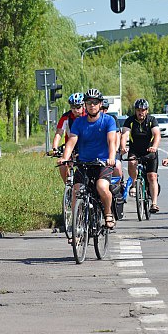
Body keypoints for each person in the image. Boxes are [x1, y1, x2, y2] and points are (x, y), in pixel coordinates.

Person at [58, 88, 118, 229]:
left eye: (95, 102)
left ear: (100, 104)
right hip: (84, 162)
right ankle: (76, 226)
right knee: (76, 190)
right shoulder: (79, 122)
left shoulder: (108, 120)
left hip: (102, 162)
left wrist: (111, 158)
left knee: (102, 187)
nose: (92, 105)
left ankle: (108, 213)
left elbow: (111, 141)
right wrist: (64, 158)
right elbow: (71, 141)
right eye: (89, 102)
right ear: (85, 105)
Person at [120, 98, 161, 213]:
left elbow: (157, 135)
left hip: (150, 150)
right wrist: (123, 147)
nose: (140, 112)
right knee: (132, 162)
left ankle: (154, 203)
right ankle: (134, 183)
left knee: (152, 176)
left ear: (147, 111)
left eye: (143, 110)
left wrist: (155, 147)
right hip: (135, 150)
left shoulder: (152, 120)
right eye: (138, 110)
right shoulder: (130, 120)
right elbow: (125, 134)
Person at [52, 93, 86, 183]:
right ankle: (68, 186)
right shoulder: (66, 117)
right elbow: (59, 133)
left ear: (83, 106)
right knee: (62, 164)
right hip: (70, 147)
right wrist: (55, 147)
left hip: (85, 146)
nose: (75, 110)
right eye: (73, 107)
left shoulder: (88, 116)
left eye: (78, 107)